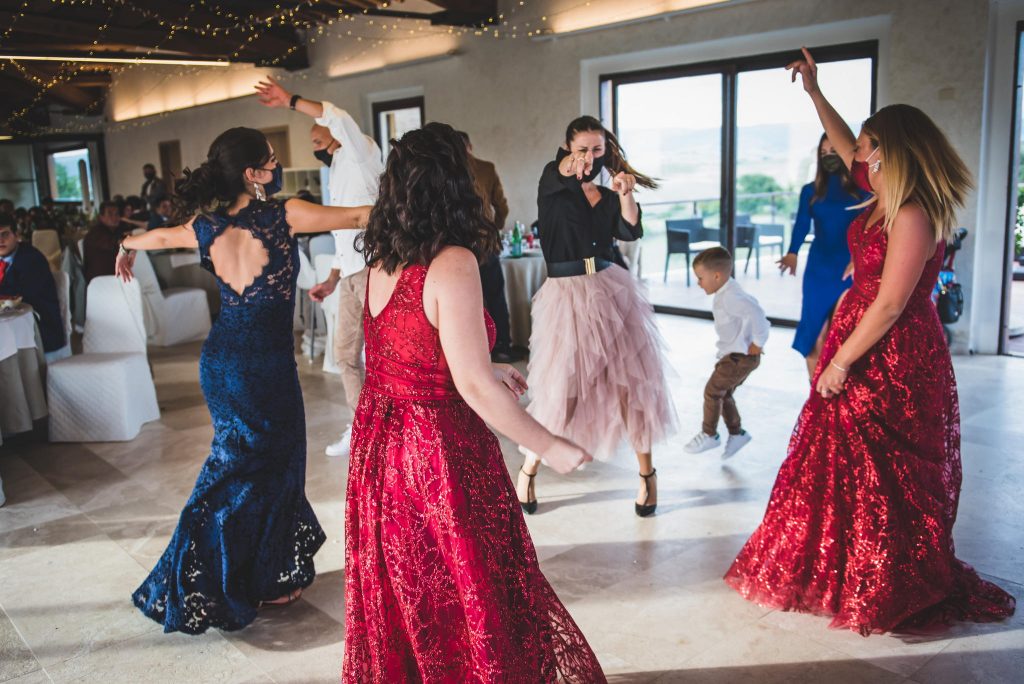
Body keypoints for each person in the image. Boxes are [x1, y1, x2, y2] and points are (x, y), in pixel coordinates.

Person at [725, 48, 1016, 634]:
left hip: (893, 350)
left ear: (884, 150)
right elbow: (837, 134)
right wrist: (813, 92)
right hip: (858, 332)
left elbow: (890, 303)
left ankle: (885, 575)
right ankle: (846, 565)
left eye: (862, 144)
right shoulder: (882, 188)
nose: (851, 150)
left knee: (887, 468)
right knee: (842, 459)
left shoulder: (911, 211)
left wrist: (840, 363)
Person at [345, 121, 604, 681]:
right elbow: (472, 388)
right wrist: (549, 445)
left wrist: (485, 363)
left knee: (413, 590)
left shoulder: (381, 261)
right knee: (468, 586)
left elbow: (409, 353)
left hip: (382, 448)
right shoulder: (453, 262)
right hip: (436, 450)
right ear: (453, 185)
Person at [118, 127, 372, 634]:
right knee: (274, 467)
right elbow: (361, 216)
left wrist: (126, 244)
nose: (277, 168)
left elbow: (157, 237)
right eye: (272, 161)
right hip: (265, 367)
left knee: (237, 467)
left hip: (222, 362)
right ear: (254, 174)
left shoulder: (204, 224)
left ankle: (263, 576)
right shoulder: (286, 213)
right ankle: (242, 576)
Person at [519, 115, 678, 517]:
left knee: (633, 387)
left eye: (596, 150)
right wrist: (568, 167)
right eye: (581, 150)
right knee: (563, 390)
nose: (588, 157)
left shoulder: (607, 196)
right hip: (567, 297)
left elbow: (629, 231)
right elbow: (560, 173)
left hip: (612, 289)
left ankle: (646, 477)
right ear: (568, 149)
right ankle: (529, 467)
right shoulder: (551, 182)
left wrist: (625, 193)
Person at [256, 75, 383, 459]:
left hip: (376, 272)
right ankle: (363, 428)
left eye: (316, 140)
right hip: (349, 276)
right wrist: (330, 280)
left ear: (332, 134)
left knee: (380, 359)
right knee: (345, 353)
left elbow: (339, 115)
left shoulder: (362, 153)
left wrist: (290, 101)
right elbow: (345, 240)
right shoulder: (335, 171)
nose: (314, 148)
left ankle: (388, 434)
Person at [778, 133, 867, 378]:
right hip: (819, 267)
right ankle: (815, 399)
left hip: (849, 268)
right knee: (814, 334)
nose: (829, 158)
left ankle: (835, 397)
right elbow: (801, 224)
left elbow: (872, 228)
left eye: (834, 152)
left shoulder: (864, 190)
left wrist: (861, 258)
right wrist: (792, 252)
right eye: (824, 153)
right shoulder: (811, 190)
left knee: (838, 334)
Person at [683, 247, 769, 458]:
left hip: (739, 358)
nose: (698, 283)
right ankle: (737, 433)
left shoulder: (730, 297)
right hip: (734, 356)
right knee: (724, 394)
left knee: (712, 392)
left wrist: (758, 341)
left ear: (717, 276)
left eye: (701, 278)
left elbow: (758, 314)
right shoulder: (727, 291)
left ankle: (709, 434)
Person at [458, 130, 515, 362]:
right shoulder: (486, 168)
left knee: (464, 298)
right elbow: (502, 207)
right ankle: (502, 345)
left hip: (459, 245)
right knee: (495, 295)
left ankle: (473, 349)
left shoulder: (446, 172)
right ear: (470, 146)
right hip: (485, 242)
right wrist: (494, 229)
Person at [0, 214, 65, 356]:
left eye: (5, 234)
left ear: (16, 235)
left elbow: (17, 295)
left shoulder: (31, 259)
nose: (0, 240)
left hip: (39, 326)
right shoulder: (2, 258)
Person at [83, 200, 134, 282]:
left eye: (117, 214)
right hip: (100, 281)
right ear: (101, 217)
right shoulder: (96, 233)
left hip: (115, 276)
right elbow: (117, 243)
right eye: (110, 214)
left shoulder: (115, 230)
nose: (114, 217)